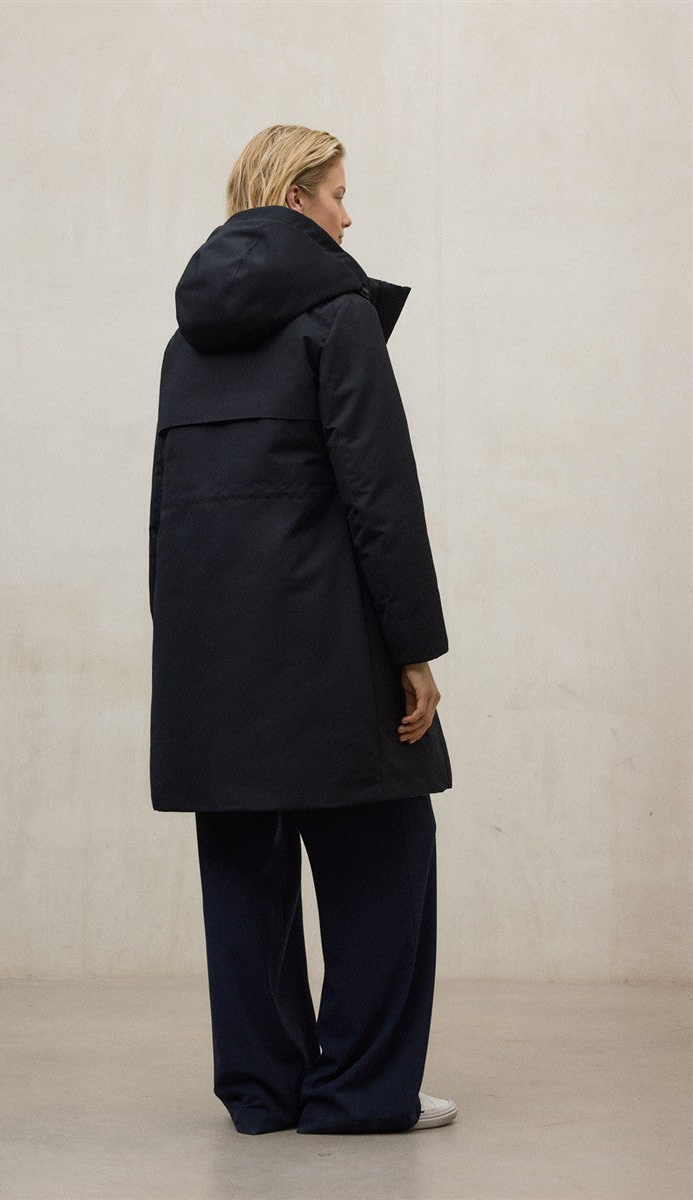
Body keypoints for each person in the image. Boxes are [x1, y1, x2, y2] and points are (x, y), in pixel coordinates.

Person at [148, 124, 458, 1136]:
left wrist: (179, 656)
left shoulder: (186, 340)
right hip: (329, 646)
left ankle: (262, 1091)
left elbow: (168, 513)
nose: (348, 216)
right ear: (294, 196)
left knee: (245, 867)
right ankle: (360, 1091)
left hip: (210, 658)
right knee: (385, 851)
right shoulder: (338, 316)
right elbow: (380, 496)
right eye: (337, 193)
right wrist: (412, 649)